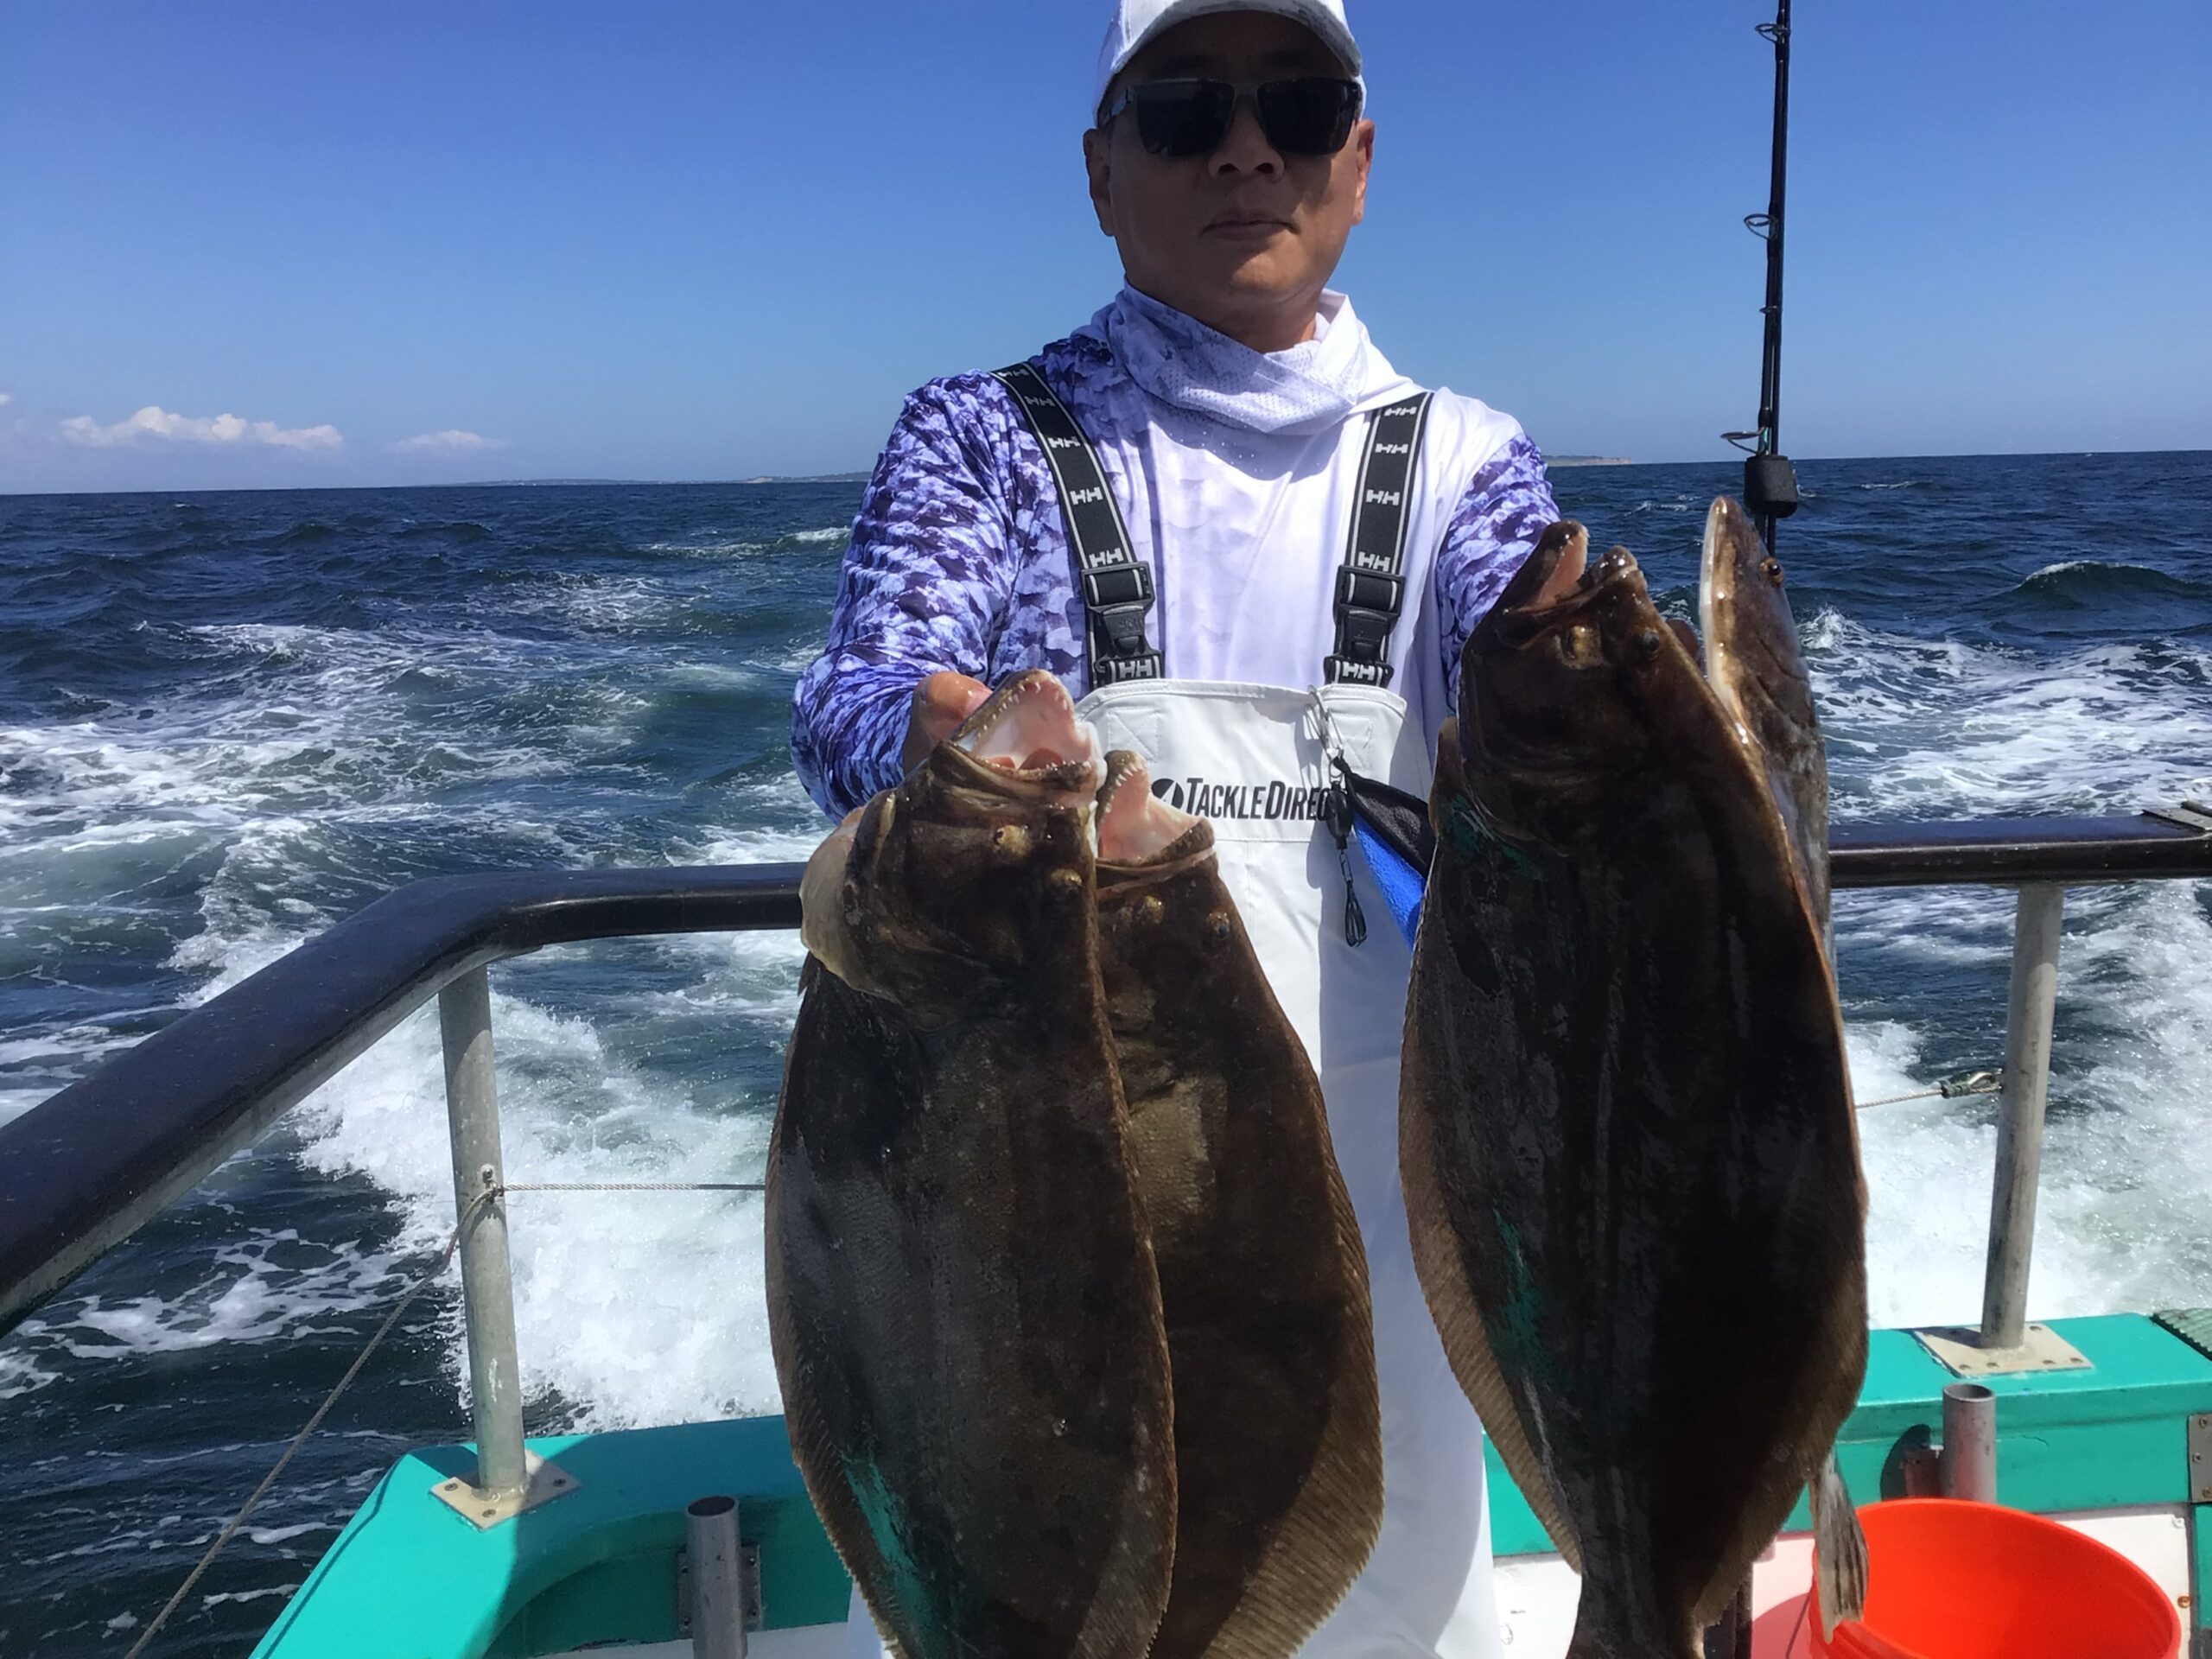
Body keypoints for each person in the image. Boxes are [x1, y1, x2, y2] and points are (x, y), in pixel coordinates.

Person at [791, 3, 1559, 1654]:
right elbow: (847, 711)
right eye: (1185, 109)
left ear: (1359, 156)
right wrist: (952, 741)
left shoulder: (1469, 469)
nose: (1245, 146)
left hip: (1374, 1222)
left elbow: (1552, 739)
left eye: (1297, 101)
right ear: (1101, 170)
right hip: (1032, 1192)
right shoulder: (982, 437)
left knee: (1380, 1601)